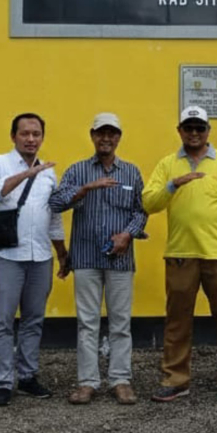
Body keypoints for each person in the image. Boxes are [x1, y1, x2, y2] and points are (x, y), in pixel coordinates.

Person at [142, 105, 217, 407]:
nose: (194, 133)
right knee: (177, 322)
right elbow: (149, 203)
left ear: (208, 131)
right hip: (181, 255)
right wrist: (172, 185)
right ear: (179, 130)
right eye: (188, 128)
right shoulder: (168, 164)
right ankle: (175, 380)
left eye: (199, 128)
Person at [49, 113, 147, 406]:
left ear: (119, 137)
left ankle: (120, 380)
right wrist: (84, 189)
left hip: (121, 260)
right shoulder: (77, 170)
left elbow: (142, 210)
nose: (106, 138)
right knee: (87, 322)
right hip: (86, 257)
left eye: (112, 133)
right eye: (101, 133)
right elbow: (55, 202)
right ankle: (88, 382)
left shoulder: (131, 172)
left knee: (120, 322)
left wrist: (128, 235)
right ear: (92, 135)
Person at [0, 113, 71, 407]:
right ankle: (3, 382)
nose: (31, 139)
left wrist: (61, 252)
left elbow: (53, 216)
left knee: (33, 320)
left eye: (36, 134)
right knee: (3, 321)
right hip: (8, 255)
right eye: (25, 134)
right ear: (13, 136)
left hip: (40, 255)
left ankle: (28, 376)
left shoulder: (49, 172)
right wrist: (25, 175)